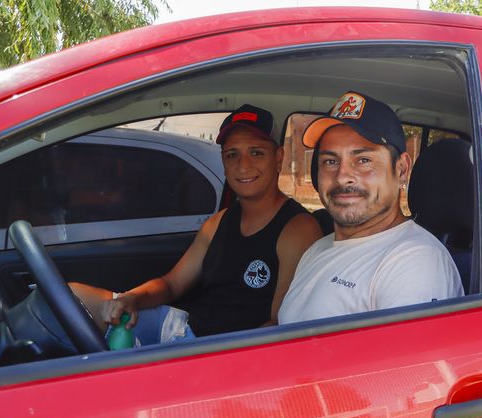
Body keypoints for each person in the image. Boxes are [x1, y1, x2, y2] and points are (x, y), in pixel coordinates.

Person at [71, 104, 323, 344]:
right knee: (74, 297)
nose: (243, 165)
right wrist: (132, 298)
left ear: (278, 158)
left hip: (215, 352)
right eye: (232, 154)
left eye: (256, 153)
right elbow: (171, 284)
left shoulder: (296, 229)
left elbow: (279, 324)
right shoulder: (219, 222)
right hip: (184, 328)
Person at [277, 91, 463, 324]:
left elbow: (407, 360)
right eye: (330, 161)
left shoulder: (415, 262)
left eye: (363, 160)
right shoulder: (317, 249)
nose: (343, 177)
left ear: (401, 169)